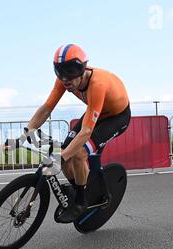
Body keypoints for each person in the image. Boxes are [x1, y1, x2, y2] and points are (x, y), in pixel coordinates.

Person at [14, 44, 131, 224]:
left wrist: (62, 158)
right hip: (97, 112)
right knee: (65, 151)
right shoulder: (63, 79)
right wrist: (23, 135)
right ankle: (78, 187)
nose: (65, 79)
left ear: (82, 69)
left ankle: (80, 202)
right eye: (60, 72)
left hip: (117, 117)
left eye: (70, 72)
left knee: (77, 154)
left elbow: (86, 132)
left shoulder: (97, 84)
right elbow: (46, 109)